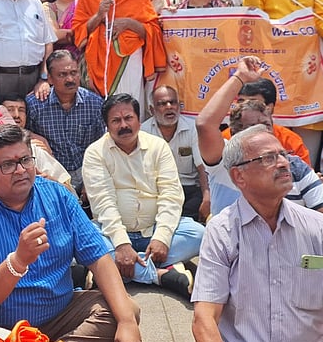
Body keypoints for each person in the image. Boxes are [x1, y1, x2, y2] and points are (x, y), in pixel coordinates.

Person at [0, 124, 158, 342]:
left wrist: (126, 322)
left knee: (124, 308)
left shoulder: (57, 195)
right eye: (8, 165)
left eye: (25, 159)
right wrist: (18, 262)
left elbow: (98, 258)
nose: (21, 170)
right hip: (5, 329)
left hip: (62, 313)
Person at [168, 125, 323, 342]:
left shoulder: (318, 227)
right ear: (239, 177)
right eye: (268, 158)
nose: (283, 163)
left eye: (283, 155)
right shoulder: (222, 230)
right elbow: (205, 318)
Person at [198, 56, 323, 310]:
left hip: (296, 260)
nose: (263, 135)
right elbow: (204, 124)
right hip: (242, 262)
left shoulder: (294, 167)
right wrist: (240, 78)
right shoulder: (229, 164)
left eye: (266, 126)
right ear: (235, 137)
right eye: (252, 129)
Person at [84, 93, 205, 298]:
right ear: (106, 125)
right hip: (111, 236)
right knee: (83, 241)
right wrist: (122, 244)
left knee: (199, 234)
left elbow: (171, 195)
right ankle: (161, 275)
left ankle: (111, 273)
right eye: (116, 120)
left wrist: (162, 238)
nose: (124, 125)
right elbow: (103, 203)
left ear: (139, 120)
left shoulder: (158, 147)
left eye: (128, 118)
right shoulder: (95, 153)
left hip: (153, 231)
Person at [72, 0, 165, 100]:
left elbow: (153, 30)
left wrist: (129, 24)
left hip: (129, 60)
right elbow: (79, 32)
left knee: (131, 107)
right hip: (97, 62)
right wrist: (98, 16)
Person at [26, 50, 106, 196]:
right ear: (49, 78)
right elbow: (22, 136)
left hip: (87, 171)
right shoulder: (35, 105)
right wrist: (33, 136)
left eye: (74, 73)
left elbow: (103, 145)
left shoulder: (94, 104)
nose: (70, 79)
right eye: (62, 75)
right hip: (51, 173)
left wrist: (92, 179)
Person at [141, 85, 210, 221]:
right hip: (156, 192)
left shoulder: (193, 129)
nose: (169, 107)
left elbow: (202, 169)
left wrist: (207, 197)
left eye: (172, 102)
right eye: (162, 104)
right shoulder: (143, 132)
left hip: (188, 191)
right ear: (151, 110)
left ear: (179, 106)